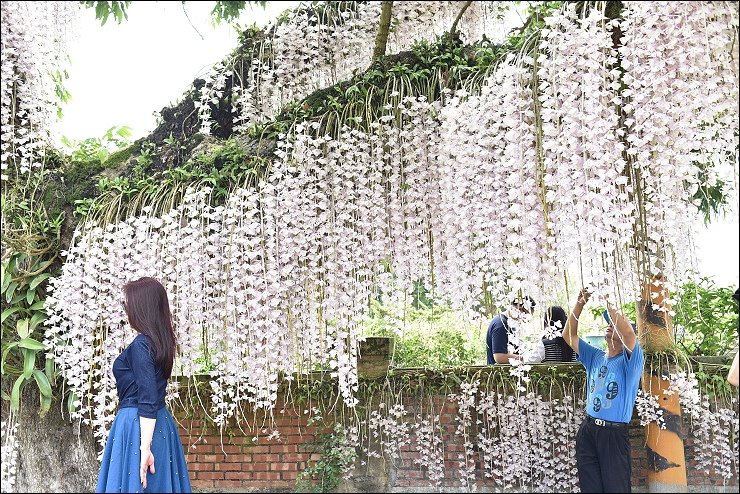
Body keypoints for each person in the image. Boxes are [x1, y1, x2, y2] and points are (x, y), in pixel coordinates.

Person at [96, 277, 192, 493]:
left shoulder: (141, 345)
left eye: (127, 305)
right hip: (159, 423)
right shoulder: (159, 343)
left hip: (138, 427)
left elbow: (147, 399)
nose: (126, 310)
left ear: (141, 308)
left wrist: (144, 449)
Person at [562, 287, 644, 493]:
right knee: (590, 488)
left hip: (613, 434)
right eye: (609, 324)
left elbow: (628, 332)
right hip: (588, 430)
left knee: (616, 489)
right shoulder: (595, 356)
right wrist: (580, 303)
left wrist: (606, 295)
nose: (610, 326)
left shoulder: (630, 364)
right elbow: (568, 335)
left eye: (614, 324)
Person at [487, 296, 536, 364]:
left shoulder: (509, 323)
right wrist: (523, 359)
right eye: (525, 316)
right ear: (520, 308)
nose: (524, 320)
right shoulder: (501, 324)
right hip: (500, 372)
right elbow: (499, 357)